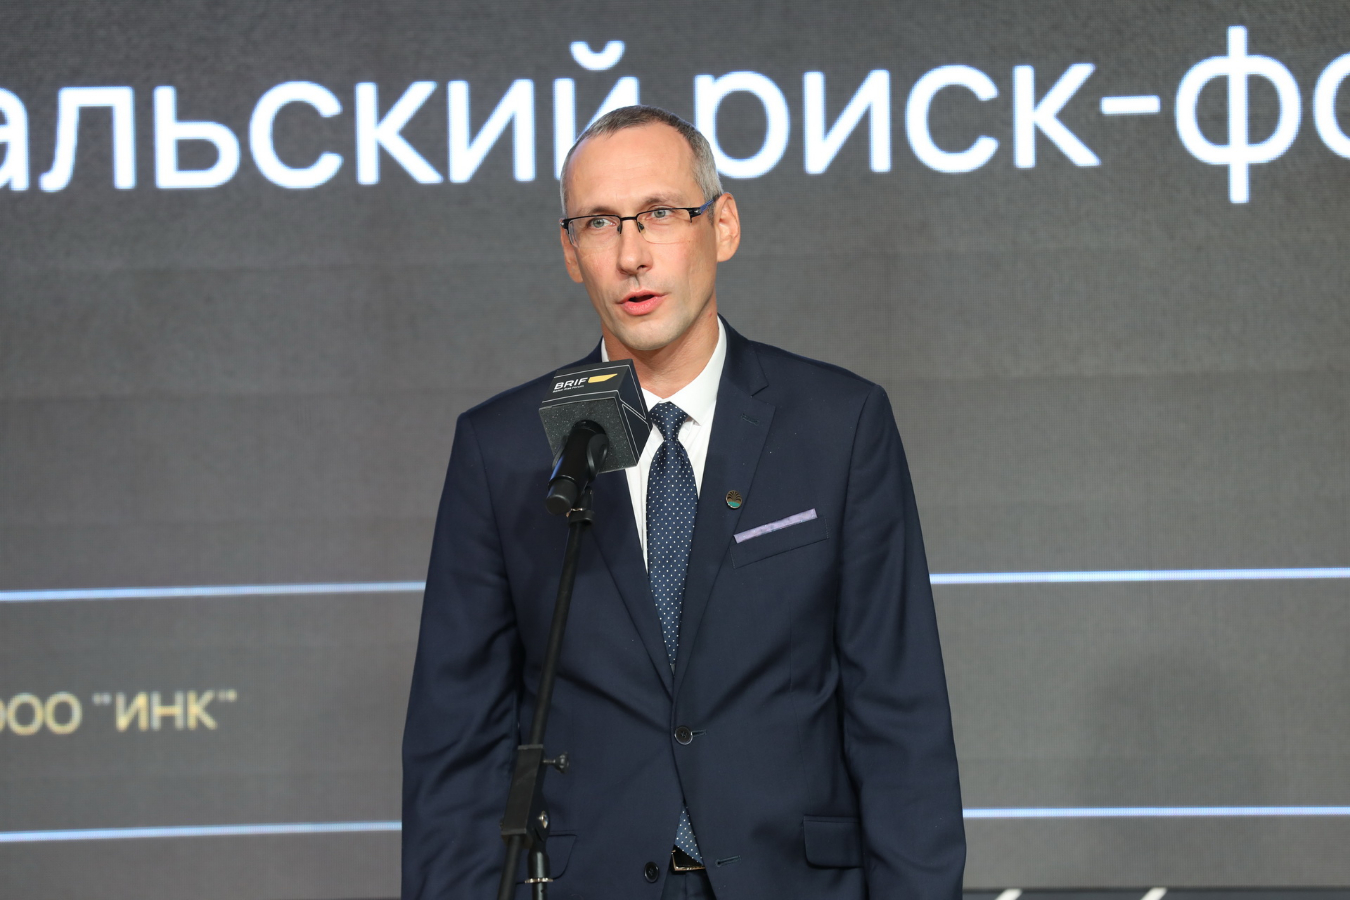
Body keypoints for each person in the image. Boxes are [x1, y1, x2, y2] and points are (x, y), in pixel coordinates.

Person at [402, 105, 965, 900]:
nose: (632, 255)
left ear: (722, 226)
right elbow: (455, 745)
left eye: (660, 213)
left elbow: (901, 718)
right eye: (600, 223)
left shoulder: (838, 425)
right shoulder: (505, 450)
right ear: (570, 252)